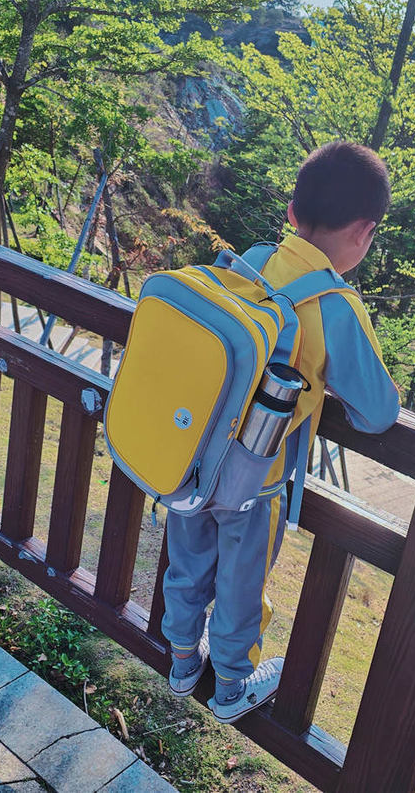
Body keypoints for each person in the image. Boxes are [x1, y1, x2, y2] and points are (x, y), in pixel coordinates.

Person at [161, 141, 401, 724]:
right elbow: (379, 412)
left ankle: (180, 661)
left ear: (292, 213)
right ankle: (232, 688)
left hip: (194, 457)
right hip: (256, 478)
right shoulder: (336, 305)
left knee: (188, 563)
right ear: (364, 233)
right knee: (242, 583)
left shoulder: (250, 259)